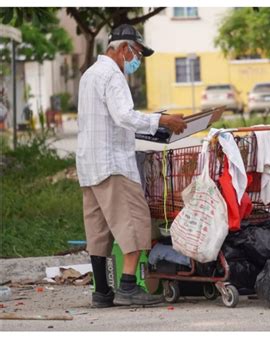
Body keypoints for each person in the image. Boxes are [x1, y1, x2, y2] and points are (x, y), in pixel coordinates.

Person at [76, 24, 187, 308]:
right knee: (135, 221)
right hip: (113, 165)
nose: (137, 60)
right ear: (124, 49)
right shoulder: (113, 75)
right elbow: (124, 116)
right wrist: (163, 121)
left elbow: (107, 120)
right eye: (137, 53)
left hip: (89, 165)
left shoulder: (89, 74)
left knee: (98, 229)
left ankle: (101, 291)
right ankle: (127, 286)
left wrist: (150, 125)